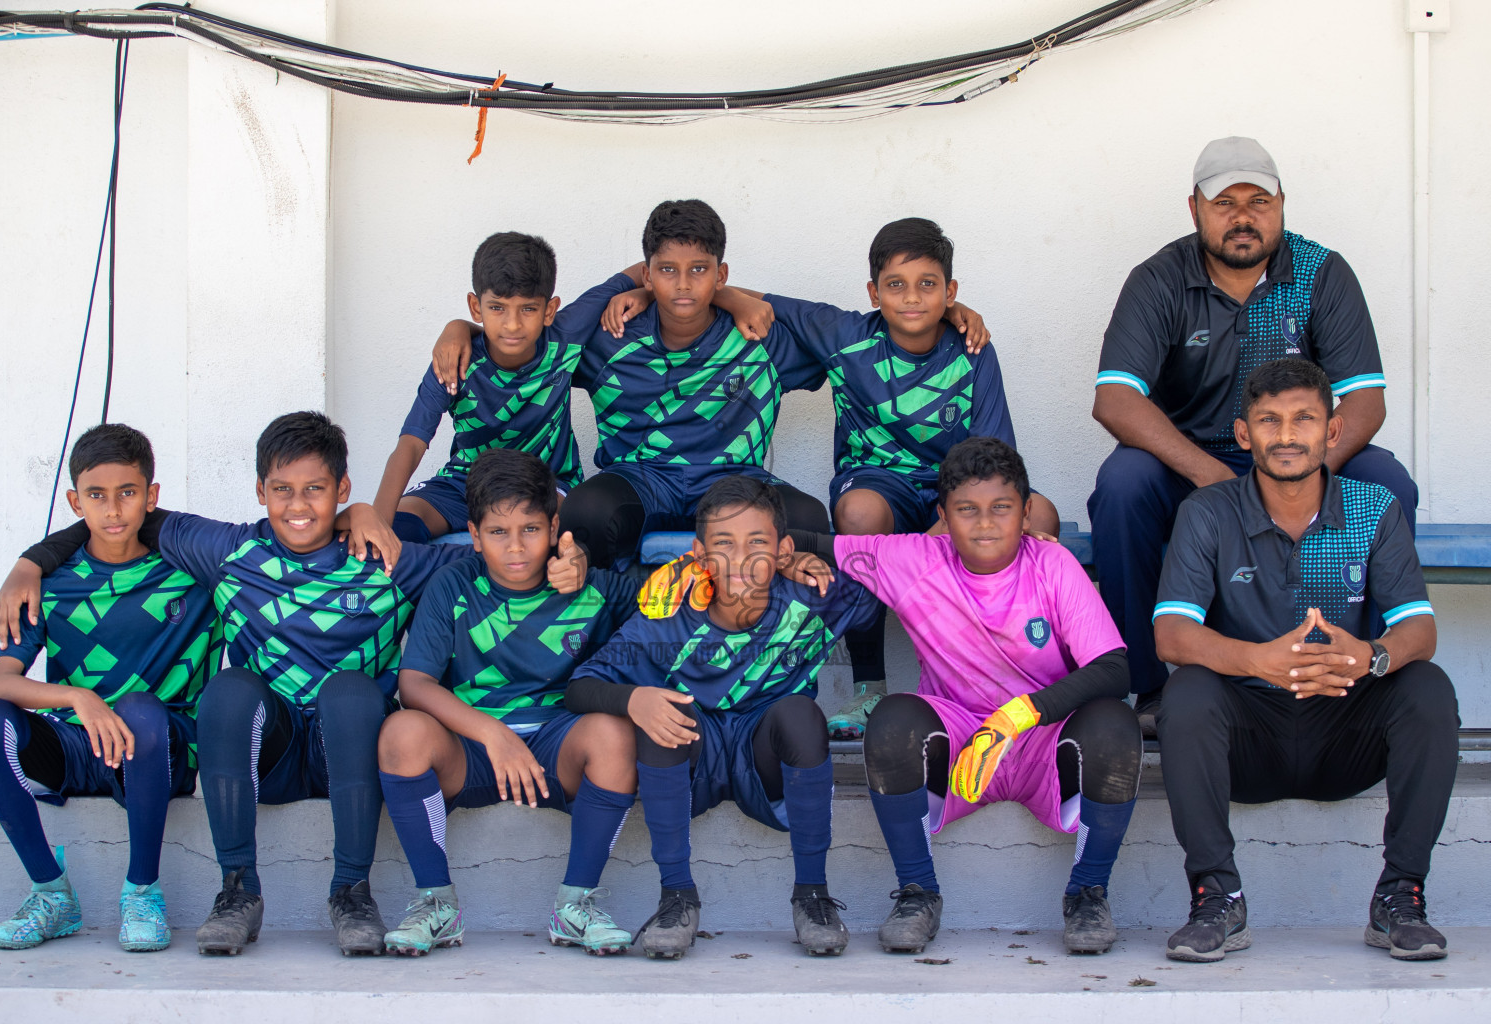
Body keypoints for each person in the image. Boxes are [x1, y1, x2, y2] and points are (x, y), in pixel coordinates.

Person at [0, 411, 582, 956]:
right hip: (265, 754)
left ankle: (352, 892)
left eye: (317, 491)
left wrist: (564, 554)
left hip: (345, 753)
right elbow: (120, 518)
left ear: (343, 491)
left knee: (352, 691)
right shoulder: (229, 550)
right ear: (260, 493)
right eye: (283, 491)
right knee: (228, 689)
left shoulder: (389, 559)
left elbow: (502, 555)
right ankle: (238, 890)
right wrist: (30, 561)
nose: (298, 505)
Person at [653, 216, 1062, 739]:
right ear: (873, 293)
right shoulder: (845, 335)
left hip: (957, 488)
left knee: (1038, 514)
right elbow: (751, 299)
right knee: (858, 515)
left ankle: (1009, 680)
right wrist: (715, 300)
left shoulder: (972, 349)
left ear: (950, 291)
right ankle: (871, 687)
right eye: (896, 285)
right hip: (878, 481)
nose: (912, 298)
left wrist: (944, 529)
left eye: (928, 286)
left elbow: (996, 459)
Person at [1088, 137, 1418, 733]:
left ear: (1282, 204)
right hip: (1192, 465)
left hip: (1293, 454)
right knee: (1123, 484)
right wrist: (1215, 480)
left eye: (1259, 200)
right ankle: (1148, 688)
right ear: (1195, 210)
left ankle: (1362, 670)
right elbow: (1115, 398)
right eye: (1225, 203)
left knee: (1385, 479)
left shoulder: (1320, 271)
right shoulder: (1160, 278)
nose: (1243, 217)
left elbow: (1366, 403)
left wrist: (1304, 474)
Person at [1153, 358, 1457, 963]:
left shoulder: (1374, 508)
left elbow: (1419, 629)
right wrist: (1259, 661)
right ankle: (1218, 896)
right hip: (1251, 736)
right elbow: (1172, 634)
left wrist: (1369, 657)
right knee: (1185, 695)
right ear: (1244, 435)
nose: (1286, 435)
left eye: (1303, 420)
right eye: (1269, 420)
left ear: (1333, 431)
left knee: (1428, 688)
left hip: (1345, 731)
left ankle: (1401, 896)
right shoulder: (1209, 511)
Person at [792, 437, 1136, 955]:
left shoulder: (1052, 564)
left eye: (1002, 508)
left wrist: (1024, 712)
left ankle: (1088, 892)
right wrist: (769, 553)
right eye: (966, 510)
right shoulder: (913, 558)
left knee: (1114, 723)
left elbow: (1112, 669)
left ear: (1025, 513)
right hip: (958, 740)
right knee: (890, 720)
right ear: (943, 517)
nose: (985, 523)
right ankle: (917, 893)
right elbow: (812, 540)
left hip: (1041, 737)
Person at [563, 475, 882, 958]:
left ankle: (812, 895)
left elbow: (894, 570)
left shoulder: (813, 595)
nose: (741, 559)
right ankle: (676, 896)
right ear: (698, 554)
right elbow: (580, 686)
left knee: (801, 713)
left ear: (781, 549)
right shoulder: (668, 614)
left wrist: (816, 553)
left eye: (758, 543)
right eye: (724, 544)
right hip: (697, 758)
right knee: (660, 712)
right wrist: (634, 701)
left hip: (765, 754)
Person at [443, 199, 833, 571]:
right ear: (647, 275)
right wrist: (462, 328)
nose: (683, 284)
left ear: (721, 274)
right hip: (641, 479)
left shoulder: (757, 335)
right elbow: (525, 344)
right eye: (666, 271)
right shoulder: (611, 335)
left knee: (807, 518)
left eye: (699, 270)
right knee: (584, 513)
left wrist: (736, 298)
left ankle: (779, 638)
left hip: (736, 482)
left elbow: (832, 342)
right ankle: (602, 632)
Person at [376, 449, 641, 956]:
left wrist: (585, 560)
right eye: (498, 532)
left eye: (531, 529)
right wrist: (492, 734)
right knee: (401, 731)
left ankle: (576, 905)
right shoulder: (454, 583)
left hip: (554, 749)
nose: (516, 547)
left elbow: (666, 607)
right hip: (472, 751)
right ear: (474, 535)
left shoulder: (591, 586)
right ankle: (436, 905)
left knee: (613, 733)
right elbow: (414, 684)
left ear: (557, 527)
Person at [0, 424, 221, 952]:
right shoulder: (51, 584)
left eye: (128, 493)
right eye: (97, 496)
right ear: (74, 501)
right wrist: (79, 698)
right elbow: (0, 682)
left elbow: (284, 540)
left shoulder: (192, 573)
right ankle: (51, 895)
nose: (113, 510)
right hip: (80, 744)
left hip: (160, 748)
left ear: (151, 496)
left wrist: (356, 514)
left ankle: (142, 892)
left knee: (140, 710)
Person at [374, 231, 644, 542]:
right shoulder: (454, 360)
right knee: (401, 524)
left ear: (549, 310)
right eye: (497, 308)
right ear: (476, 308)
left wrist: (644, 295)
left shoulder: (566, 334)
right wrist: (379, 521)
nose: (513, 324)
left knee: (541, 528)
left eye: (527, 309)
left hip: (547, 485)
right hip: (465, 484)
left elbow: (645, 271)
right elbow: (410, 444)